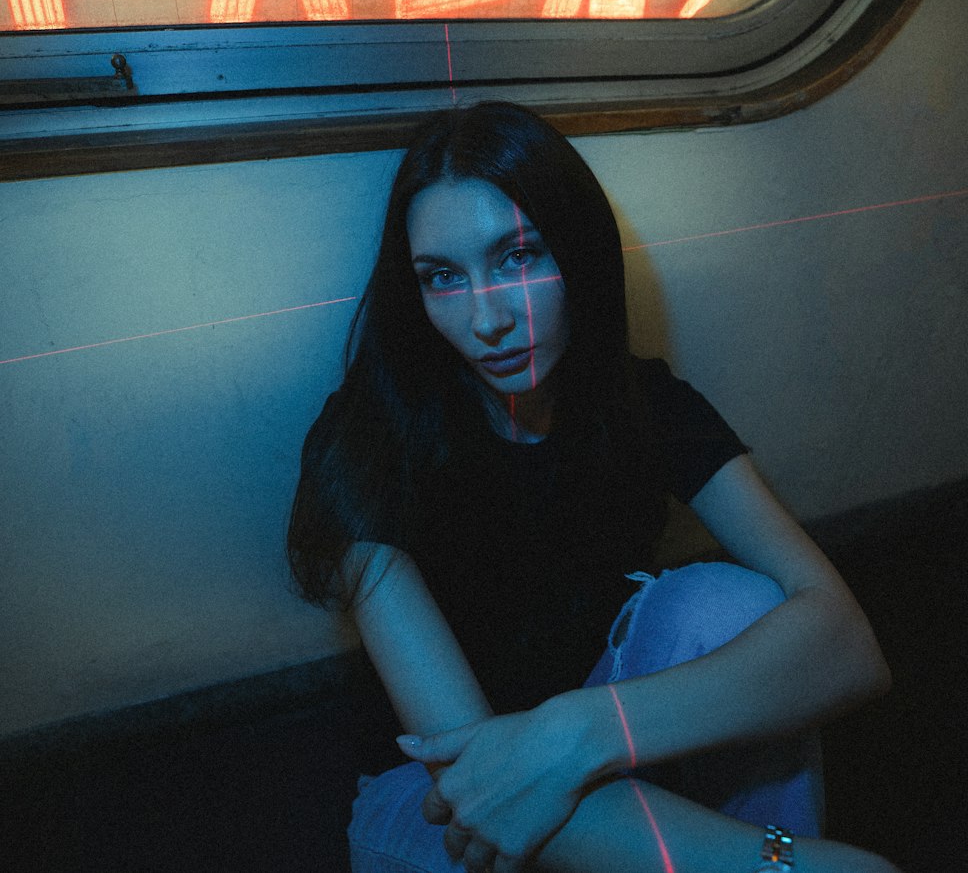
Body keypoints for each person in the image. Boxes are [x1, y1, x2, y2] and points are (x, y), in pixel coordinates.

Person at [288, 101, 898, 873]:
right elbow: (471, 779)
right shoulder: (365, 439)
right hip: (432, 805)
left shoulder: (643, 403)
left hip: (600, 758)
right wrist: (780, 866)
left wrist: (582, 732)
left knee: (728, 605)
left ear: (577, 251)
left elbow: (847, 647)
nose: (488, 319)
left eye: (517, 257)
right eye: (443, 277)